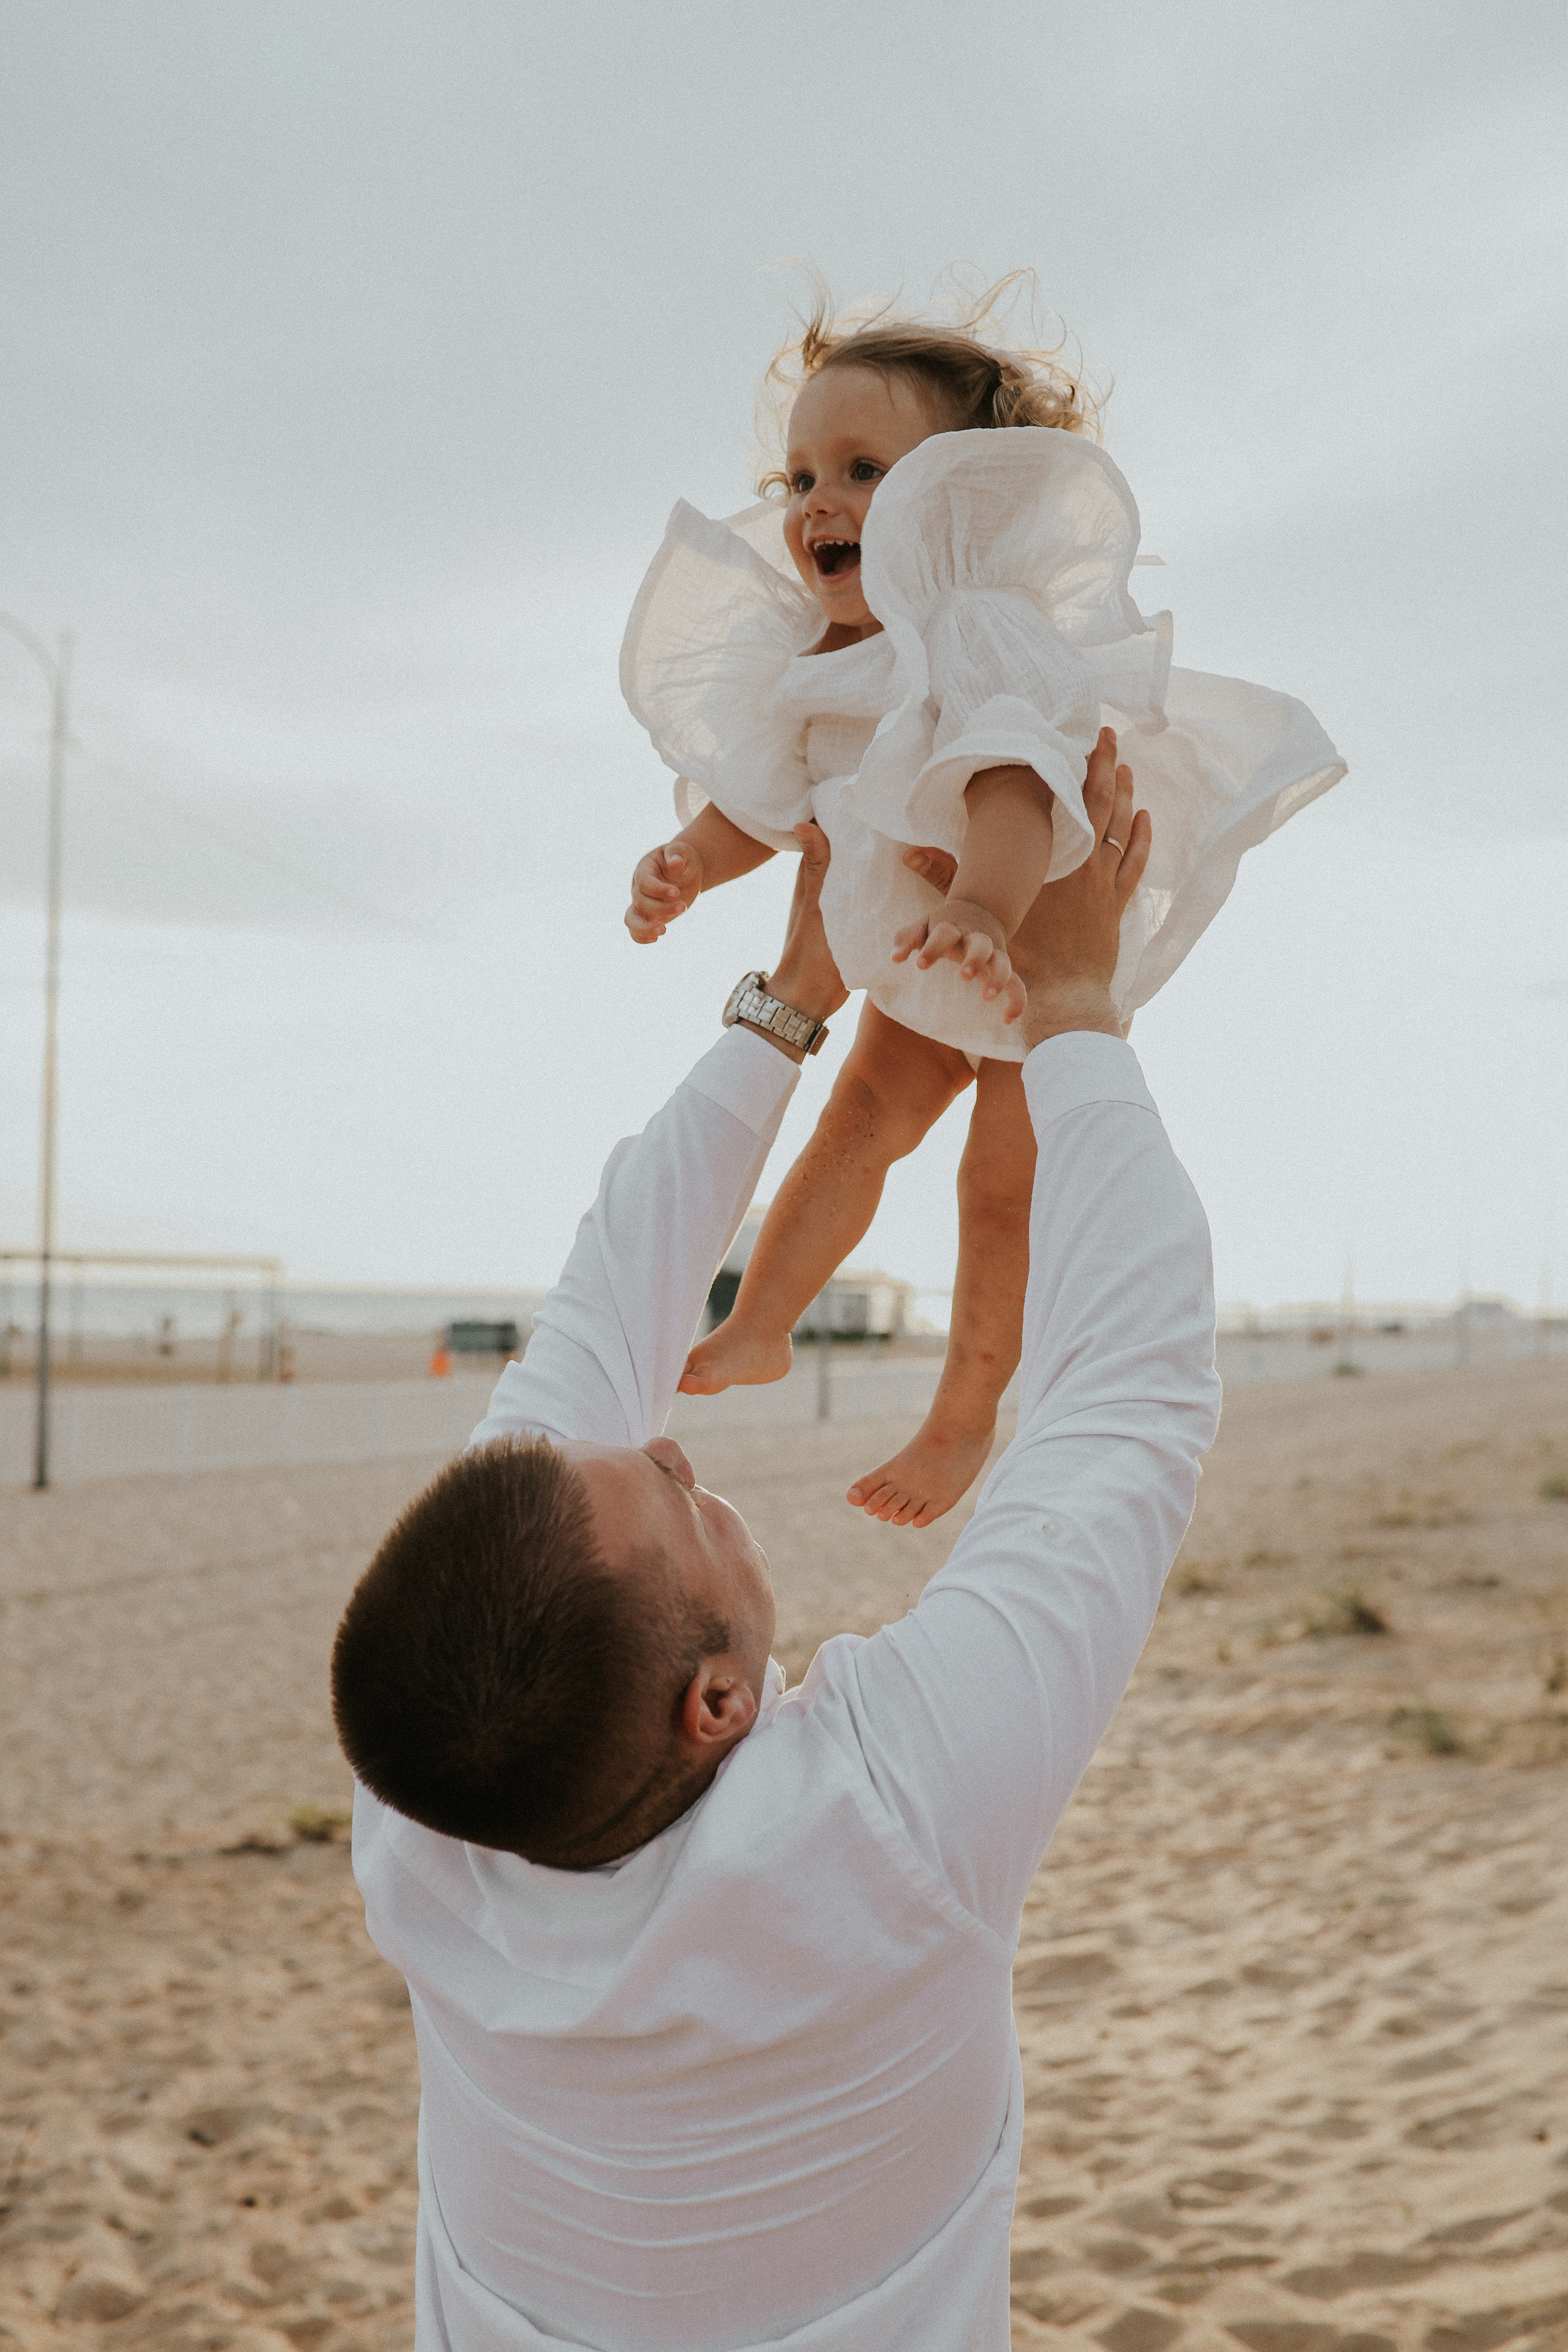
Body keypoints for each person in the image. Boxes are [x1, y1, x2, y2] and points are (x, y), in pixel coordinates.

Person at [331, 734, 1223, 2352]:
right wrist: (1080, 1007)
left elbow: (613, 1293)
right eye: (671, 1502)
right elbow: (1130, 1398)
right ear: (716, 1705)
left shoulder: (437, 1810)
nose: (668, 1445)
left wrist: (791, 997)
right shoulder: (892, 1821)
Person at [622, 277, 1341, 1528]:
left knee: (994, 1192)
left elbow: (1014, 785)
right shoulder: (817, 661)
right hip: (916, 949)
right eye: (801, 481)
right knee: (855, 1122)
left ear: (964, 501)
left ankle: (960, 1421)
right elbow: (762, 795)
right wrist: (689, 857)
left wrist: (985, 915)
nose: (820, 507)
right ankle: (762, 1324)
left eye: (862, 472)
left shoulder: (984, 631)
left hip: (1021, 946)